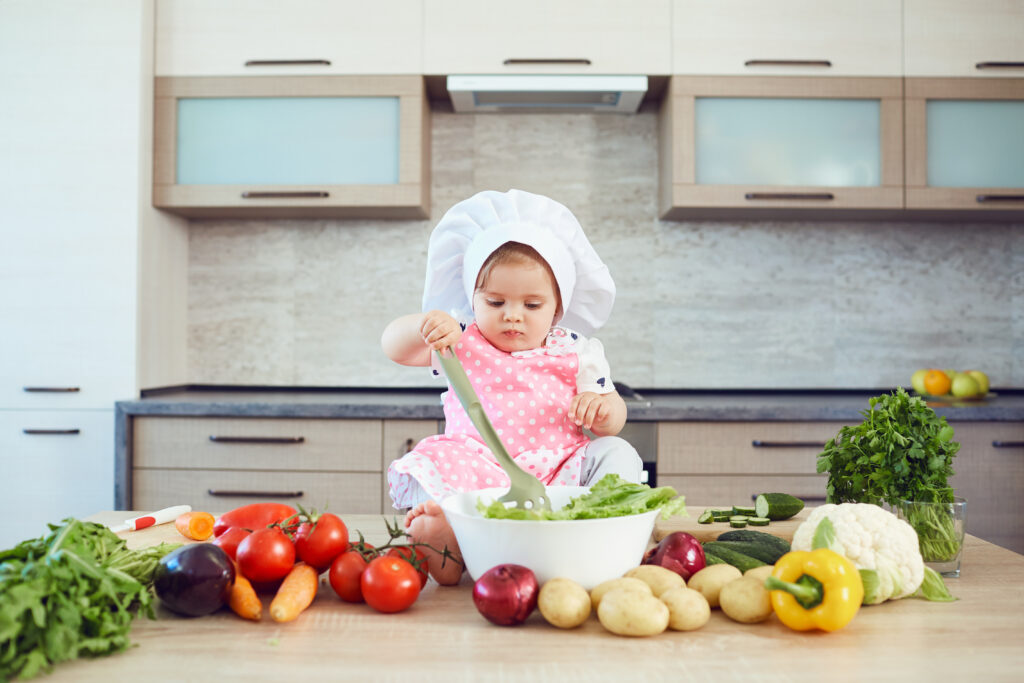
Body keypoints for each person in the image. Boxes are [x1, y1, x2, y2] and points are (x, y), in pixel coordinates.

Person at [381, 189, 643, 584]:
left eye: (532, 305)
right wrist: (427, 325)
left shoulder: (577, 352)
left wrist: (604, 411)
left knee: (617, 451)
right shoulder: (460, 342)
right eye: (496, 302)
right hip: (479, 467)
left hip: (557, 476)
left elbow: (614, 417)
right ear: (473, 299)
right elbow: (393, 347)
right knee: (434, 458)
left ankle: (599, 527)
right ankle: (447, 541)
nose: (513, 317)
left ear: (558, 306)